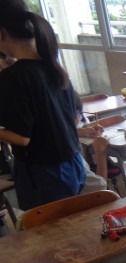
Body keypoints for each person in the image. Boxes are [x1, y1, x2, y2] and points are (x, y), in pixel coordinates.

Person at [0, 6, 86, 211]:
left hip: (44, 174)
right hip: (73, 163)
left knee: (51, 229)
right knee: (72, 223)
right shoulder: (54, 68)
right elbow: (74, 117)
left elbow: (22, 138)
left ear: (1, 33)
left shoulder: (12, 77)